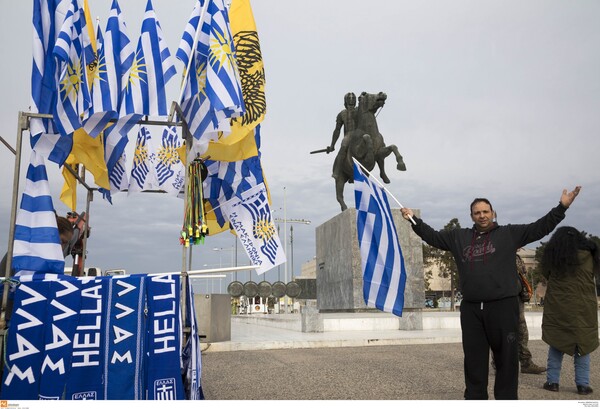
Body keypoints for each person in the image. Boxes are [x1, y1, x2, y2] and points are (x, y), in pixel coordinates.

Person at [400, 186, 581, 400]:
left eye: (485, 211)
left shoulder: (509, 234)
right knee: (474, 360)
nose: (482, 215)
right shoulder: (459, 237)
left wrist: (561, 208)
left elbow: (540, 227)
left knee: (506, 359)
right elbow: (433, 237)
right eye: (477, 212)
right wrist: (413, 220)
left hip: (503, 307)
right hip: (472, 309)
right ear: (472, 216)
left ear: (493, 213)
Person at [540, 226, 599, 396]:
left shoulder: (554, 256)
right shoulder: (590, 255)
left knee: (556, 342)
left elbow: (546, 274)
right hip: (584, 307)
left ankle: (552, 382)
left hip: (559, 306)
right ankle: (583, 384)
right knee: (583, 345)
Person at [492, 253, 547, 375]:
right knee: (501, 333)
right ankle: (499, 364)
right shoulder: (496, 253)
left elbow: (522, 273)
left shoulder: (515, 256)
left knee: (522, 332)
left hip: (517, 300)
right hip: (502, 299)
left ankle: (526, 363)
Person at [327, 92, 357, 178]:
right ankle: (337, 170)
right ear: (345, 101)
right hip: (349, 135)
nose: (351, 100)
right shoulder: (342, 114)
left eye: (353, 98)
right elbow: (337, 130)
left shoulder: (359, 110)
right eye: (349, 98)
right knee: (344, 145)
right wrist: (332, 145)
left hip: (359, 134)